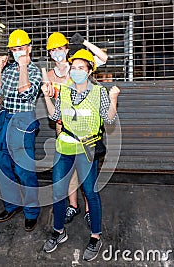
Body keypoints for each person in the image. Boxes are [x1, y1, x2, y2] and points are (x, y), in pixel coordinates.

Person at [42, 49, 120, 261]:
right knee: (58, 192)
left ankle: (95, 236)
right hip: (64, 147)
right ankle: (59, 231)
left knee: (90, 191)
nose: (76, 71)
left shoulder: (99, 92)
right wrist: (47, 97)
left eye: (81, 68)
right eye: (73, 68)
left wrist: (113, 99)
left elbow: (110, 119)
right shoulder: (65, 91)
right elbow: (55, 116)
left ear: (89, 71)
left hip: (86, 149)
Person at [44, 32, 109, 228]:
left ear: (67, 48)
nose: (57, 53)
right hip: (63, 127)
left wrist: (85, 42)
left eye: (59, 48)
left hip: (86, 127)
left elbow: (104, 58)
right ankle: (73, 205)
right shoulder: (49, 75)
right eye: (52, 50)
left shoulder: (80, 63)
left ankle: (90, 209)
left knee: (87, 174)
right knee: (67, 171)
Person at [0, 29, 42, 232]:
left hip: (23, 120)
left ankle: (31, 211)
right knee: (2, 165)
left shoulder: (36, 70)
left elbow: (27, 93)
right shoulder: (8, 69)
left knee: (24, 169)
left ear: (29, 48)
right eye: (14, 49)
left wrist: (23, 67)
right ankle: (11, 205)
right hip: (4, 118)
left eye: (21, 48)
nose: (17, 52)